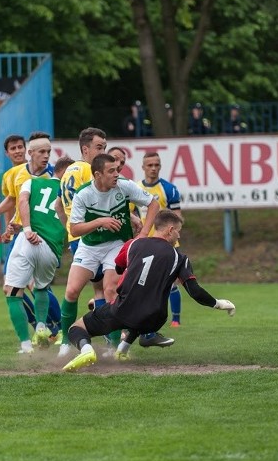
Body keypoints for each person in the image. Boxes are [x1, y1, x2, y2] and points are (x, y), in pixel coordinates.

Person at [63, 210, 236, 371]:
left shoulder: (133, 245)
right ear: (170, 230)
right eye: (178, 231)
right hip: (155, 319)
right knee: (140, 312)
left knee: (76, 328)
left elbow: (118, 268)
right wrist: (219, 304)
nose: (179, 236)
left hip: (123, 310)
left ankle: (86, 350)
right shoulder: (179, 257)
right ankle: (123, 350)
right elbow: (195, 291)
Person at [59, 153, 160, 358]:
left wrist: (142, 234)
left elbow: (153, 205)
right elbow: (75, 229)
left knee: (111, 291)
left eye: (117, 169)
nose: (117, 174)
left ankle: (112, 347)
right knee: (71, 292)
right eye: (111, 171)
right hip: (89, 246)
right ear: (97, 174)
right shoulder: (84, 194)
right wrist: (100, 221)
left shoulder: (124, 186)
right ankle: (65, 343)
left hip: (116, 245)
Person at [3, 150, 70, 354]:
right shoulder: (72, 193)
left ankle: (25, 345)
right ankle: (41, 326)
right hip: (51, 249)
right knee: (41, 288)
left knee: (13, 292)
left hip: (29, 240)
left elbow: (22, 202)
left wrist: (25, 228)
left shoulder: (32, 182)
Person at [58, 127, 108, 355]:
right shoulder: (89, 170)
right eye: (99, 147)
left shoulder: (68, 171)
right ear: (85, 149)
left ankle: (65, 345)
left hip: (77, 236)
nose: (102, 152)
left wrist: (69, 230)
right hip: (92, 238)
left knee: (80, 291)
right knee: (104, 291)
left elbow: (59, 205)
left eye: (104, 148)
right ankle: (111, 343)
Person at [135, 151, 184, 330]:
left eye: (156, 165)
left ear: (160, 166)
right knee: (143, 281)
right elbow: (131, 212)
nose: (153, 168)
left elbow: (177, 216)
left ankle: (176, 319)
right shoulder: (136, 188)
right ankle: (144, 317)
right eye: (150, 165)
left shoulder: (169, 188)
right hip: (145, 243)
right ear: (143, 167)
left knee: (171, 281)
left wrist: (173, 236)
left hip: (167, 243)